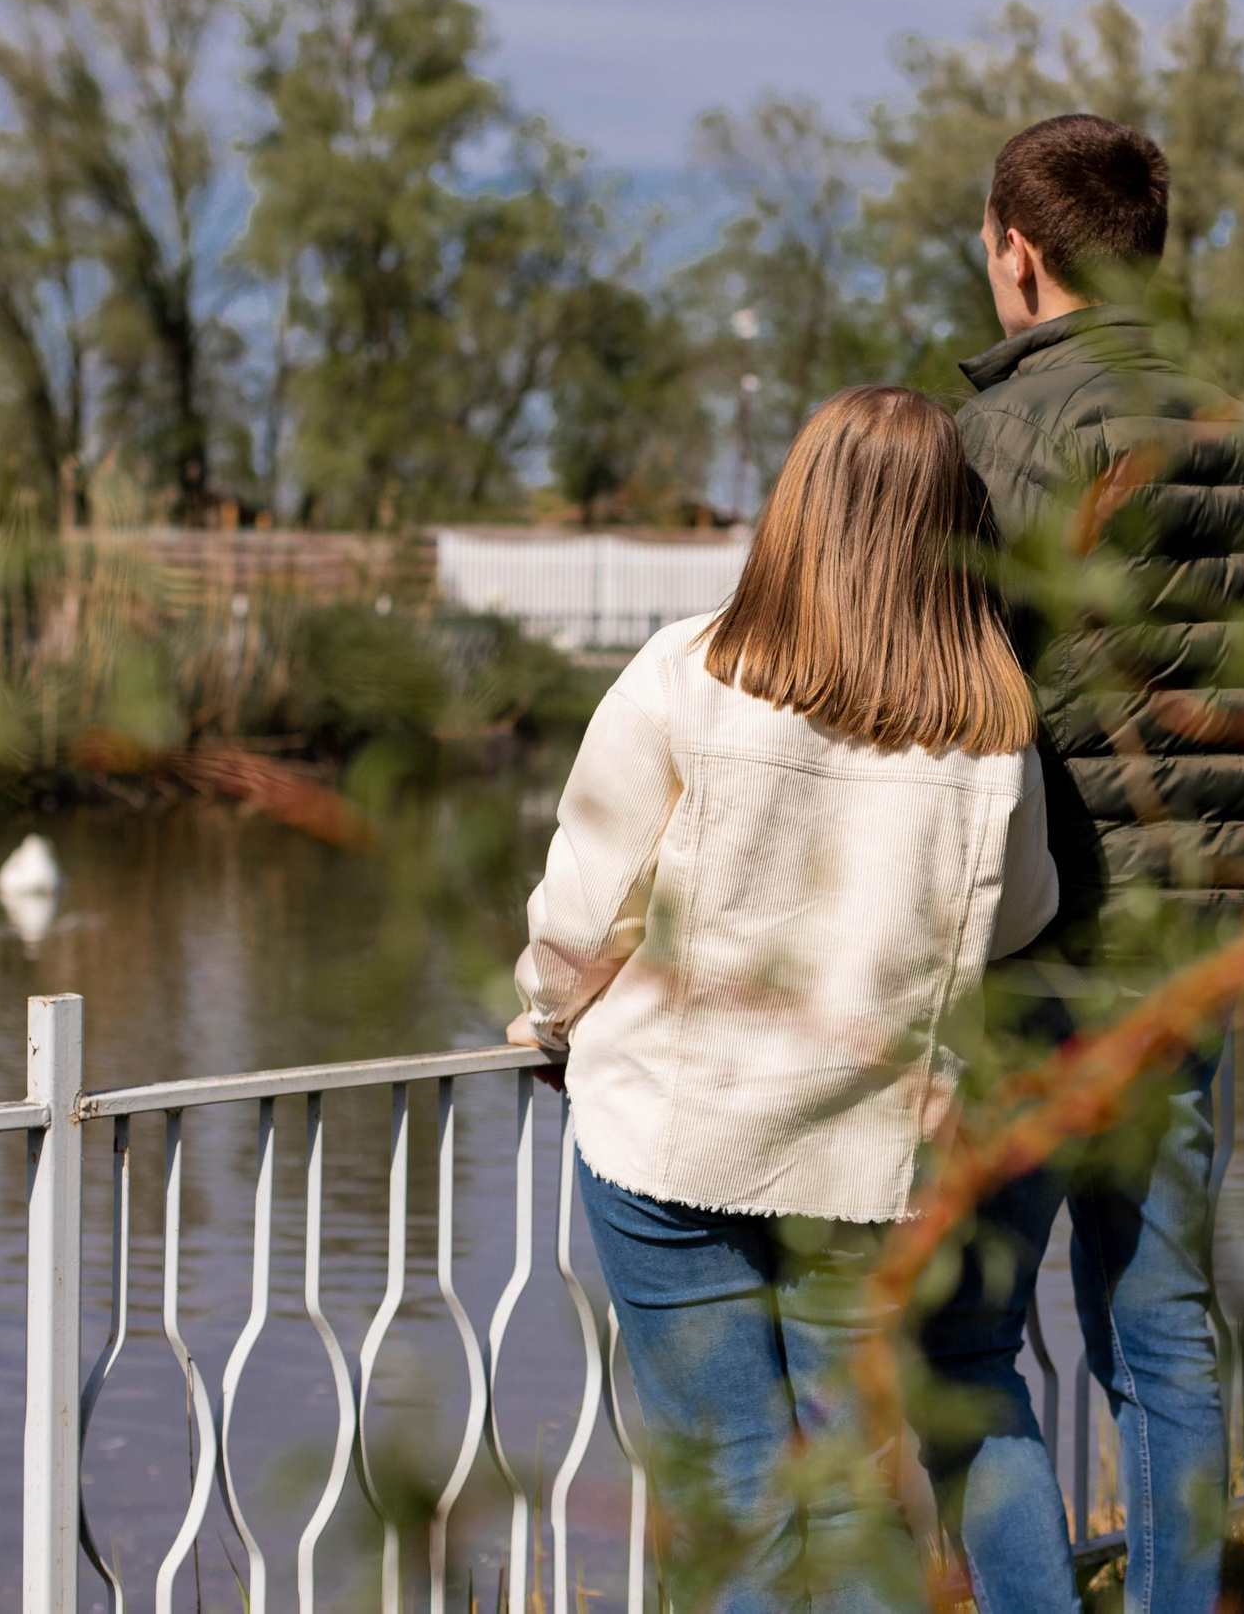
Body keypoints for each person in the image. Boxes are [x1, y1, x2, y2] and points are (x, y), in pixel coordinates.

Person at [508, 384, 1060, 1613]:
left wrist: (547, 1019)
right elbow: (1020, 914)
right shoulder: (991, 721)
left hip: (673, 1139)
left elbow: (586, 911)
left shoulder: (685, 672)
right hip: (868, 1160)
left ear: (794, 510)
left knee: (734, 1486)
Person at [914, 115, 1244, 1613]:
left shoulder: (1004, 435)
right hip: (1192, 955)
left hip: (1043, 957)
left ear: (1017, 252)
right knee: (1162, 1336)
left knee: (961, 1339)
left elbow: (939, 693)